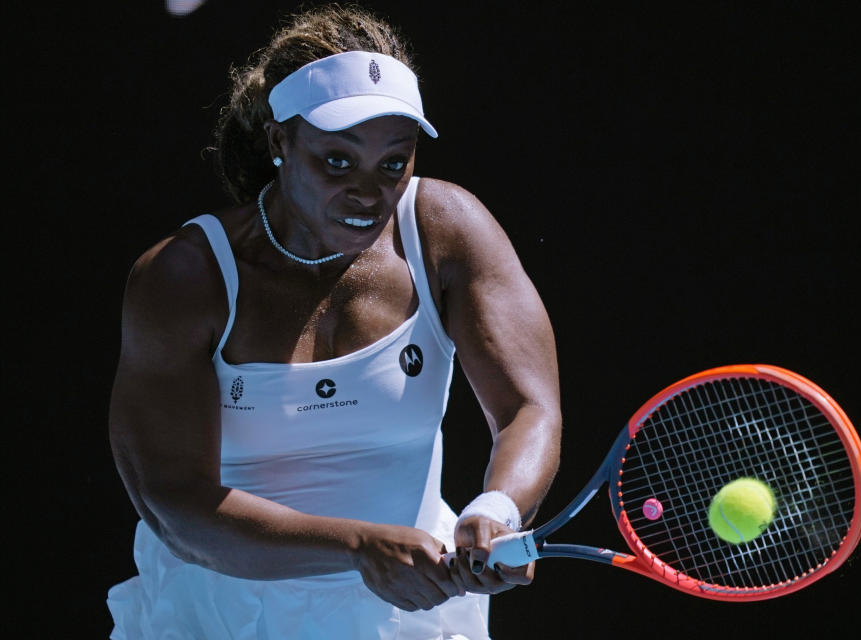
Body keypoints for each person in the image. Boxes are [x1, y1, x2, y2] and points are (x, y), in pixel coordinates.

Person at [106, 5, 561, 639]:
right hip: (217, 618)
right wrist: (355, 547)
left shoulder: (447, 230)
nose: (368, 194)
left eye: (392, 163)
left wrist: (498, 506)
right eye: (337, 162)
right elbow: (174, 505)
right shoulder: (185, 277)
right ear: (279, 143)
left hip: (410, 619)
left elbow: (527, 408)